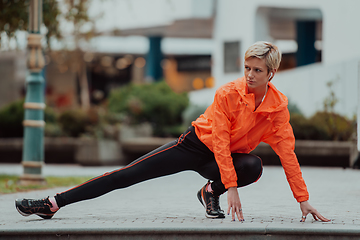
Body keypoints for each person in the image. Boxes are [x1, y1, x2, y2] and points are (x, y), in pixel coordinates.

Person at [15, 41, 330, 222]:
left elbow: (287, 154)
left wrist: (303, 200)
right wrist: (231, 187)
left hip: (222, 160)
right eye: (246, 67)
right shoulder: (228, 93)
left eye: (257, 70)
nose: (249, 75)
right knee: (126, 175)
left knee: (254, 166)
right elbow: (218, 140)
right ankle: (53, 202)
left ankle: (209, 192)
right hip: (193, 145)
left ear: (271, 73)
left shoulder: (277, 110)